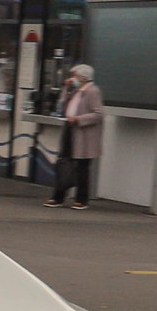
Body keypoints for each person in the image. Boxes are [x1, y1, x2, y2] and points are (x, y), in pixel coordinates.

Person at [48, 64, 103, 210]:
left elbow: (98, 114)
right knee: (64, 163)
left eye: (76, 76)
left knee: (82, 167)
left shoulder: (92, 91)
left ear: (84, 78)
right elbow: (64, 104)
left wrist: (79, 119)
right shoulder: (77, 90)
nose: (73, 79)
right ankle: (58, 196)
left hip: (83, 134)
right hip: (70, 130)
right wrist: (66, 89)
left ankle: (81, 199)